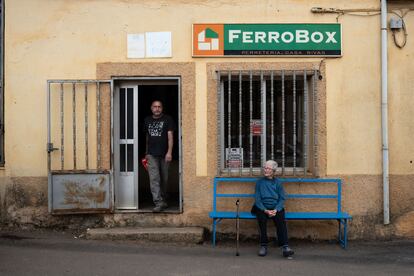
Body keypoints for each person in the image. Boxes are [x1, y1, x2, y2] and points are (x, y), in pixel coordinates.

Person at [251, 160, 294, 258]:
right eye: (265, 168)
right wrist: (265, 210)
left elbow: (282, 198)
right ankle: (263, 245)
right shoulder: (259, 182)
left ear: (273, 171)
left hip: (275, 207)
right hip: (262, 207)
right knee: (261, 220)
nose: (265, 170)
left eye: (268, 168)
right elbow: (257, 199)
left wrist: (276, 209)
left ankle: (285, 247)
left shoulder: (278, 183)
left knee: (281, 221)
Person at [143, 100, 175, 212]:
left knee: (164, 179)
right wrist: (146, 153)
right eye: (155, 107)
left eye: (159, 106)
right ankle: (158, 202)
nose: (157, 108)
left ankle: (164, 199)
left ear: (162, 108)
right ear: (151, 108)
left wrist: (169, 152)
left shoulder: (168, 119)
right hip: (151, 154)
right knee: (154, 178)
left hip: (165, 154)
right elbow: (147, 137)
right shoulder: (147, 120)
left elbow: (170, 136)